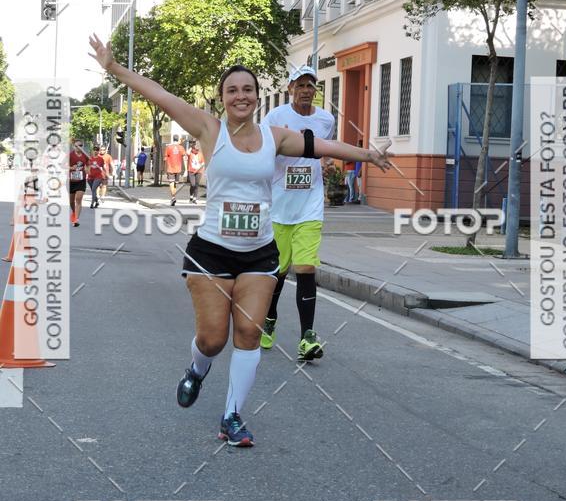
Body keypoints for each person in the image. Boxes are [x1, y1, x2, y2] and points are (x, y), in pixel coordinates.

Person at [88, 34, 390, 447]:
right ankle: (197, 369)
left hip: (259, 253)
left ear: (257, 97)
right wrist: (114, 68)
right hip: (211, 252)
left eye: (248, 89)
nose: (241, 96)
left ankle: (231, 416)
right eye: (232, 90)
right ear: (222, 98)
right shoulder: (209, 129)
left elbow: (321, 147)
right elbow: (160, 95)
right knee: (212, 339)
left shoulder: (275, 136)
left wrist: (368, 155)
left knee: (248, 333)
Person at [260, 65, 335, 361]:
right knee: (276, 273)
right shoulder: (276, 118)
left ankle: (307, 337)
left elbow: (325, 148)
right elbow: (264, 149)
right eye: (300, 85)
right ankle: (269, 318)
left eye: (310, 85)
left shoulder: (326, 119)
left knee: (306, 268)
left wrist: (326, 161)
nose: (306, 90)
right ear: (290, 88)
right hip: (279, 207)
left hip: (310, 205)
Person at [69, 138, 89, 226]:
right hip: (71, 180)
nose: (79, 147)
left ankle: (76, 219)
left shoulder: (85, 155)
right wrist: (71, 168)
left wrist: (88, 170)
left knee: (78, 199)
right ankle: (74, 212)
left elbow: (88, 166)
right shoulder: (70, 155)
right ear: (74, 147)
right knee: (71, 201)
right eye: (77, 146)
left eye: (80, 145)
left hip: (81, 180)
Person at [164, 134, 186, 206]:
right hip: (178, 168)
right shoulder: (181, 148)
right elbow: (185, 158)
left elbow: (165, 158)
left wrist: (164, 167)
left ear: (173, 139)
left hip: (170, 168)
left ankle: (173, 197)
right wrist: (185, 169)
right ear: (178, 139)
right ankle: (173, 197)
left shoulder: (168, 147)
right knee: (175, 184)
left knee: (171, 183)